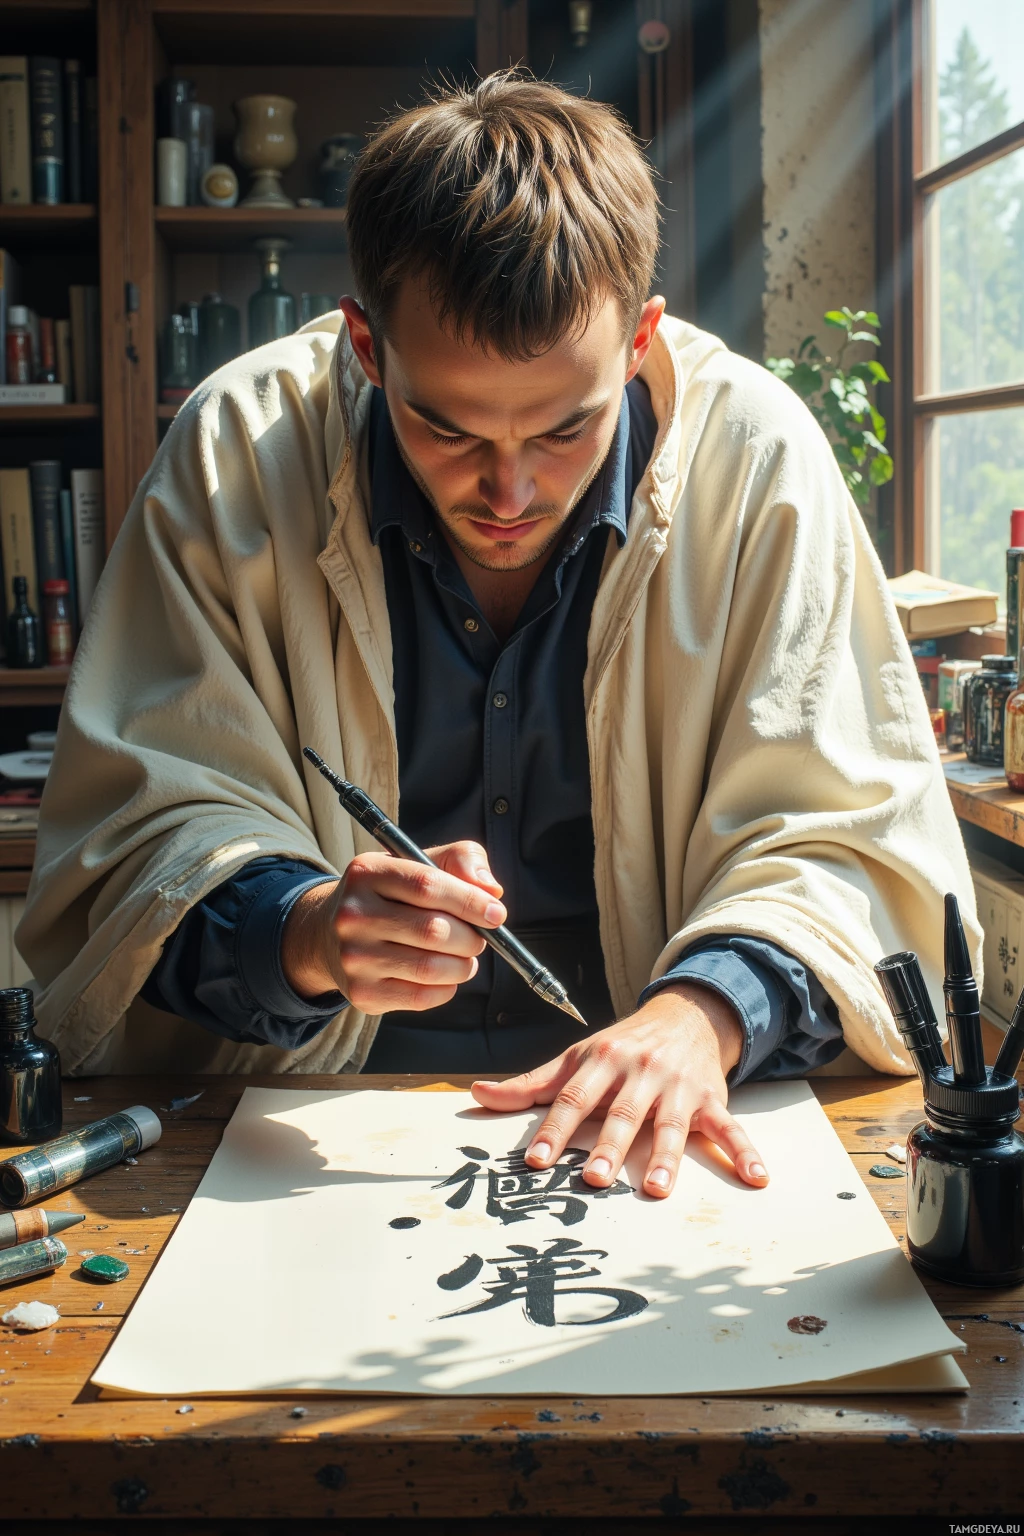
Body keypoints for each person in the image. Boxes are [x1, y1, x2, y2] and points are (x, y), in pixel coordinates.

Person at [20, 74, 978, 1202]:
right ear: (367, 350)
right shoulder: (240, 448)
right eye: (445, 424)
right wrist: (307, 931)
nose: (510, 492)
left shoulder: (755, 462)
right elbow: (132, 844)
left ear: (638, 343)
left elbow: (854, 838)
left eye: (568, 426)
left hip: (652, 1129)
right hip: (308, 1130)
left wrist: (703, 1012)